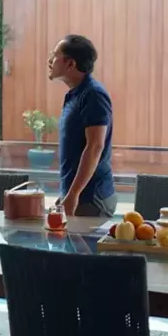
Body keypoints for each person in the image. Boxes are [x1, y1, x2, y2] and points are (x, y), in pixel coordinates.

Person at [49, 34, 117, 217]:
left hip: (91, 199)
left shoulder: (93, 95)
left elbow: (95, 146)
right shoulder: (75, 94)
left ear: (70, 64)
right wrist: (66, 194)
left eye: (55, 56)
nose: (50, 61)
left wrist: (73, 195)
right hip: (78, 197)